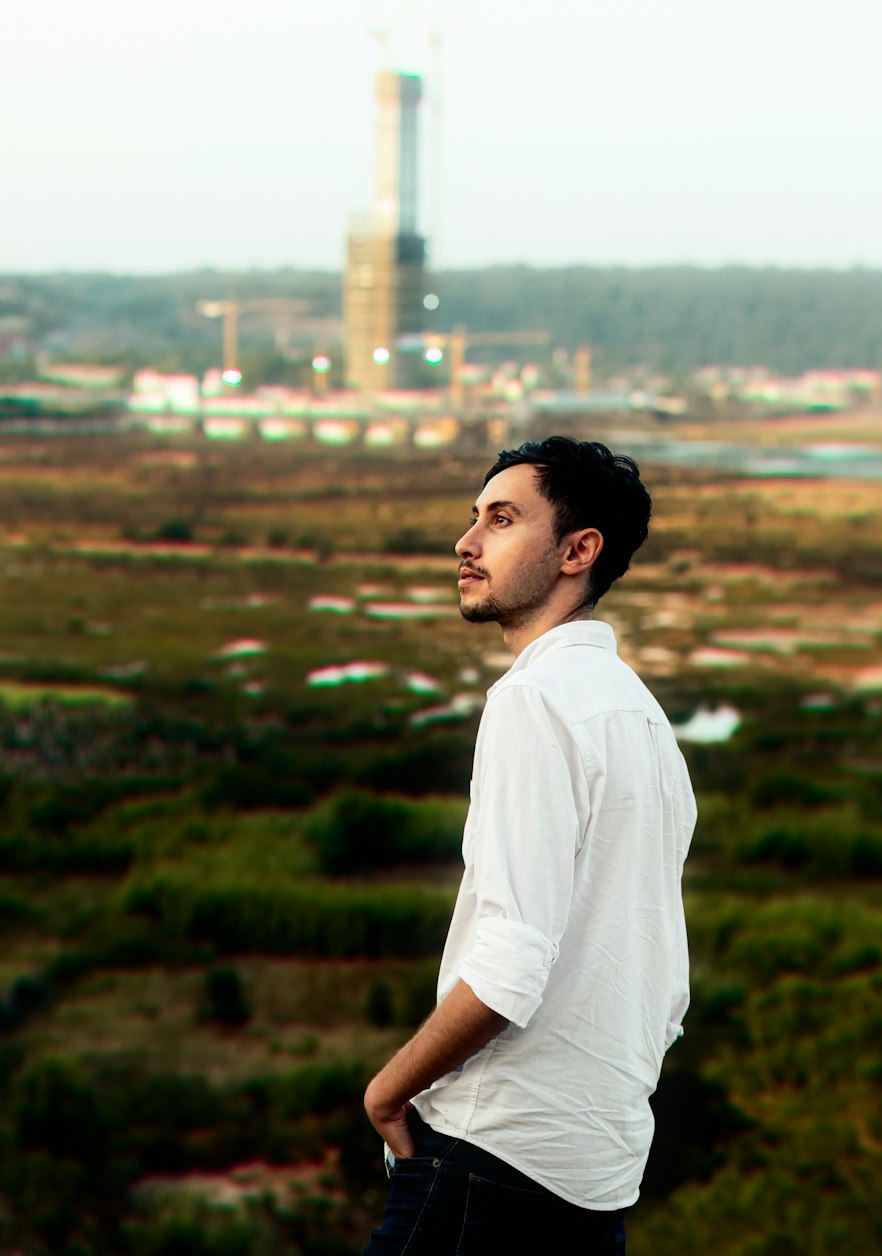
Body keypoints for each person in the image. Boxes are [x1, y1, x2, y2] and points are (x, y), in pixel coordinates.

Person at [363, 436, 696, 1255]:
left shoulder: (534, 701)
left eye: (502, 520)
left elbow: (511, 966)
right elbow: (662, 988)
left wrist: (388, 1090)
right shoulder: (643, 720)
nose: (465, 544)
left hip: (490, 1155)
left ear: (579, 551)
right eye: (473, 518)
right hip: (597, 1174)